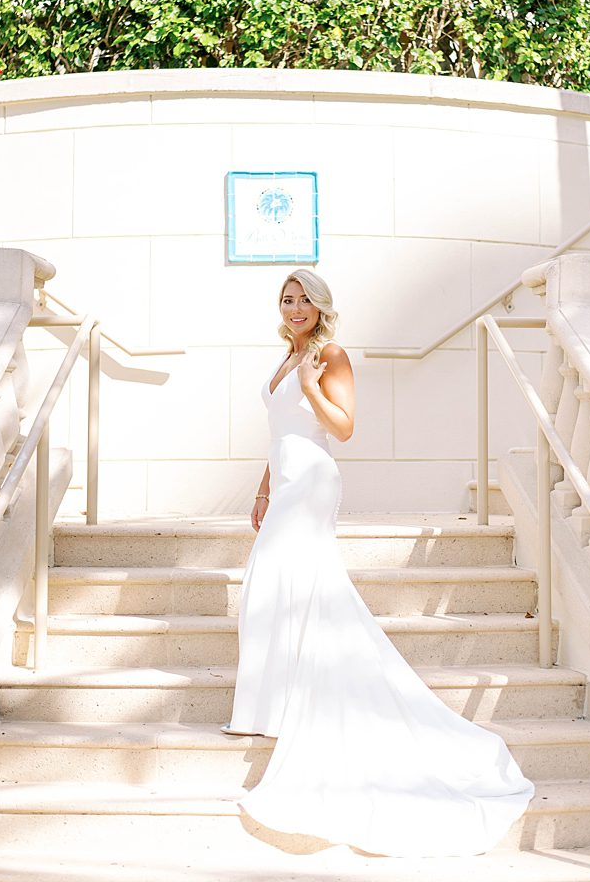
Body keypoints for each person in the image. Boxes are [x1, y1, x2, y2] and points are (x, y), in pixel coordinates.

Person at [220, 269, 534, 857]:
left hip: (313, 481)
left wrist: (314, 387)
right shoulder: (285, 356)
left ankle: (295, 701)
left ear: (321, 307)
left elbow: (343, 427)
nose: (295, 308)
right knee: (272, 585)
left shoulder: (329, 355)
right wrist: (262, 488)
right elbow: (278, 433)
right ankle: (270, 702)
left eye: (305, 300)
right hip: (285, 480)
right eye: (287, 299)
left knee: (301, 586)